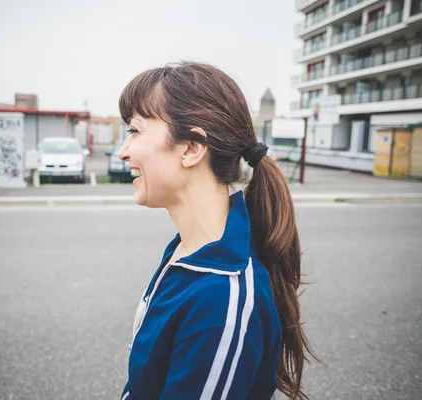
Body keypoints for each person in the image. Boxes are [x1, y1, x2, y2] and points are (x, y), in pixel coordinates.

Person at [117, 62, 315, 400]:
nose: (123, 151)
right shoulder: (189, 252)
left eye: (134, 131)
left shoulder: (221, 297)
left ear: (192, 148)